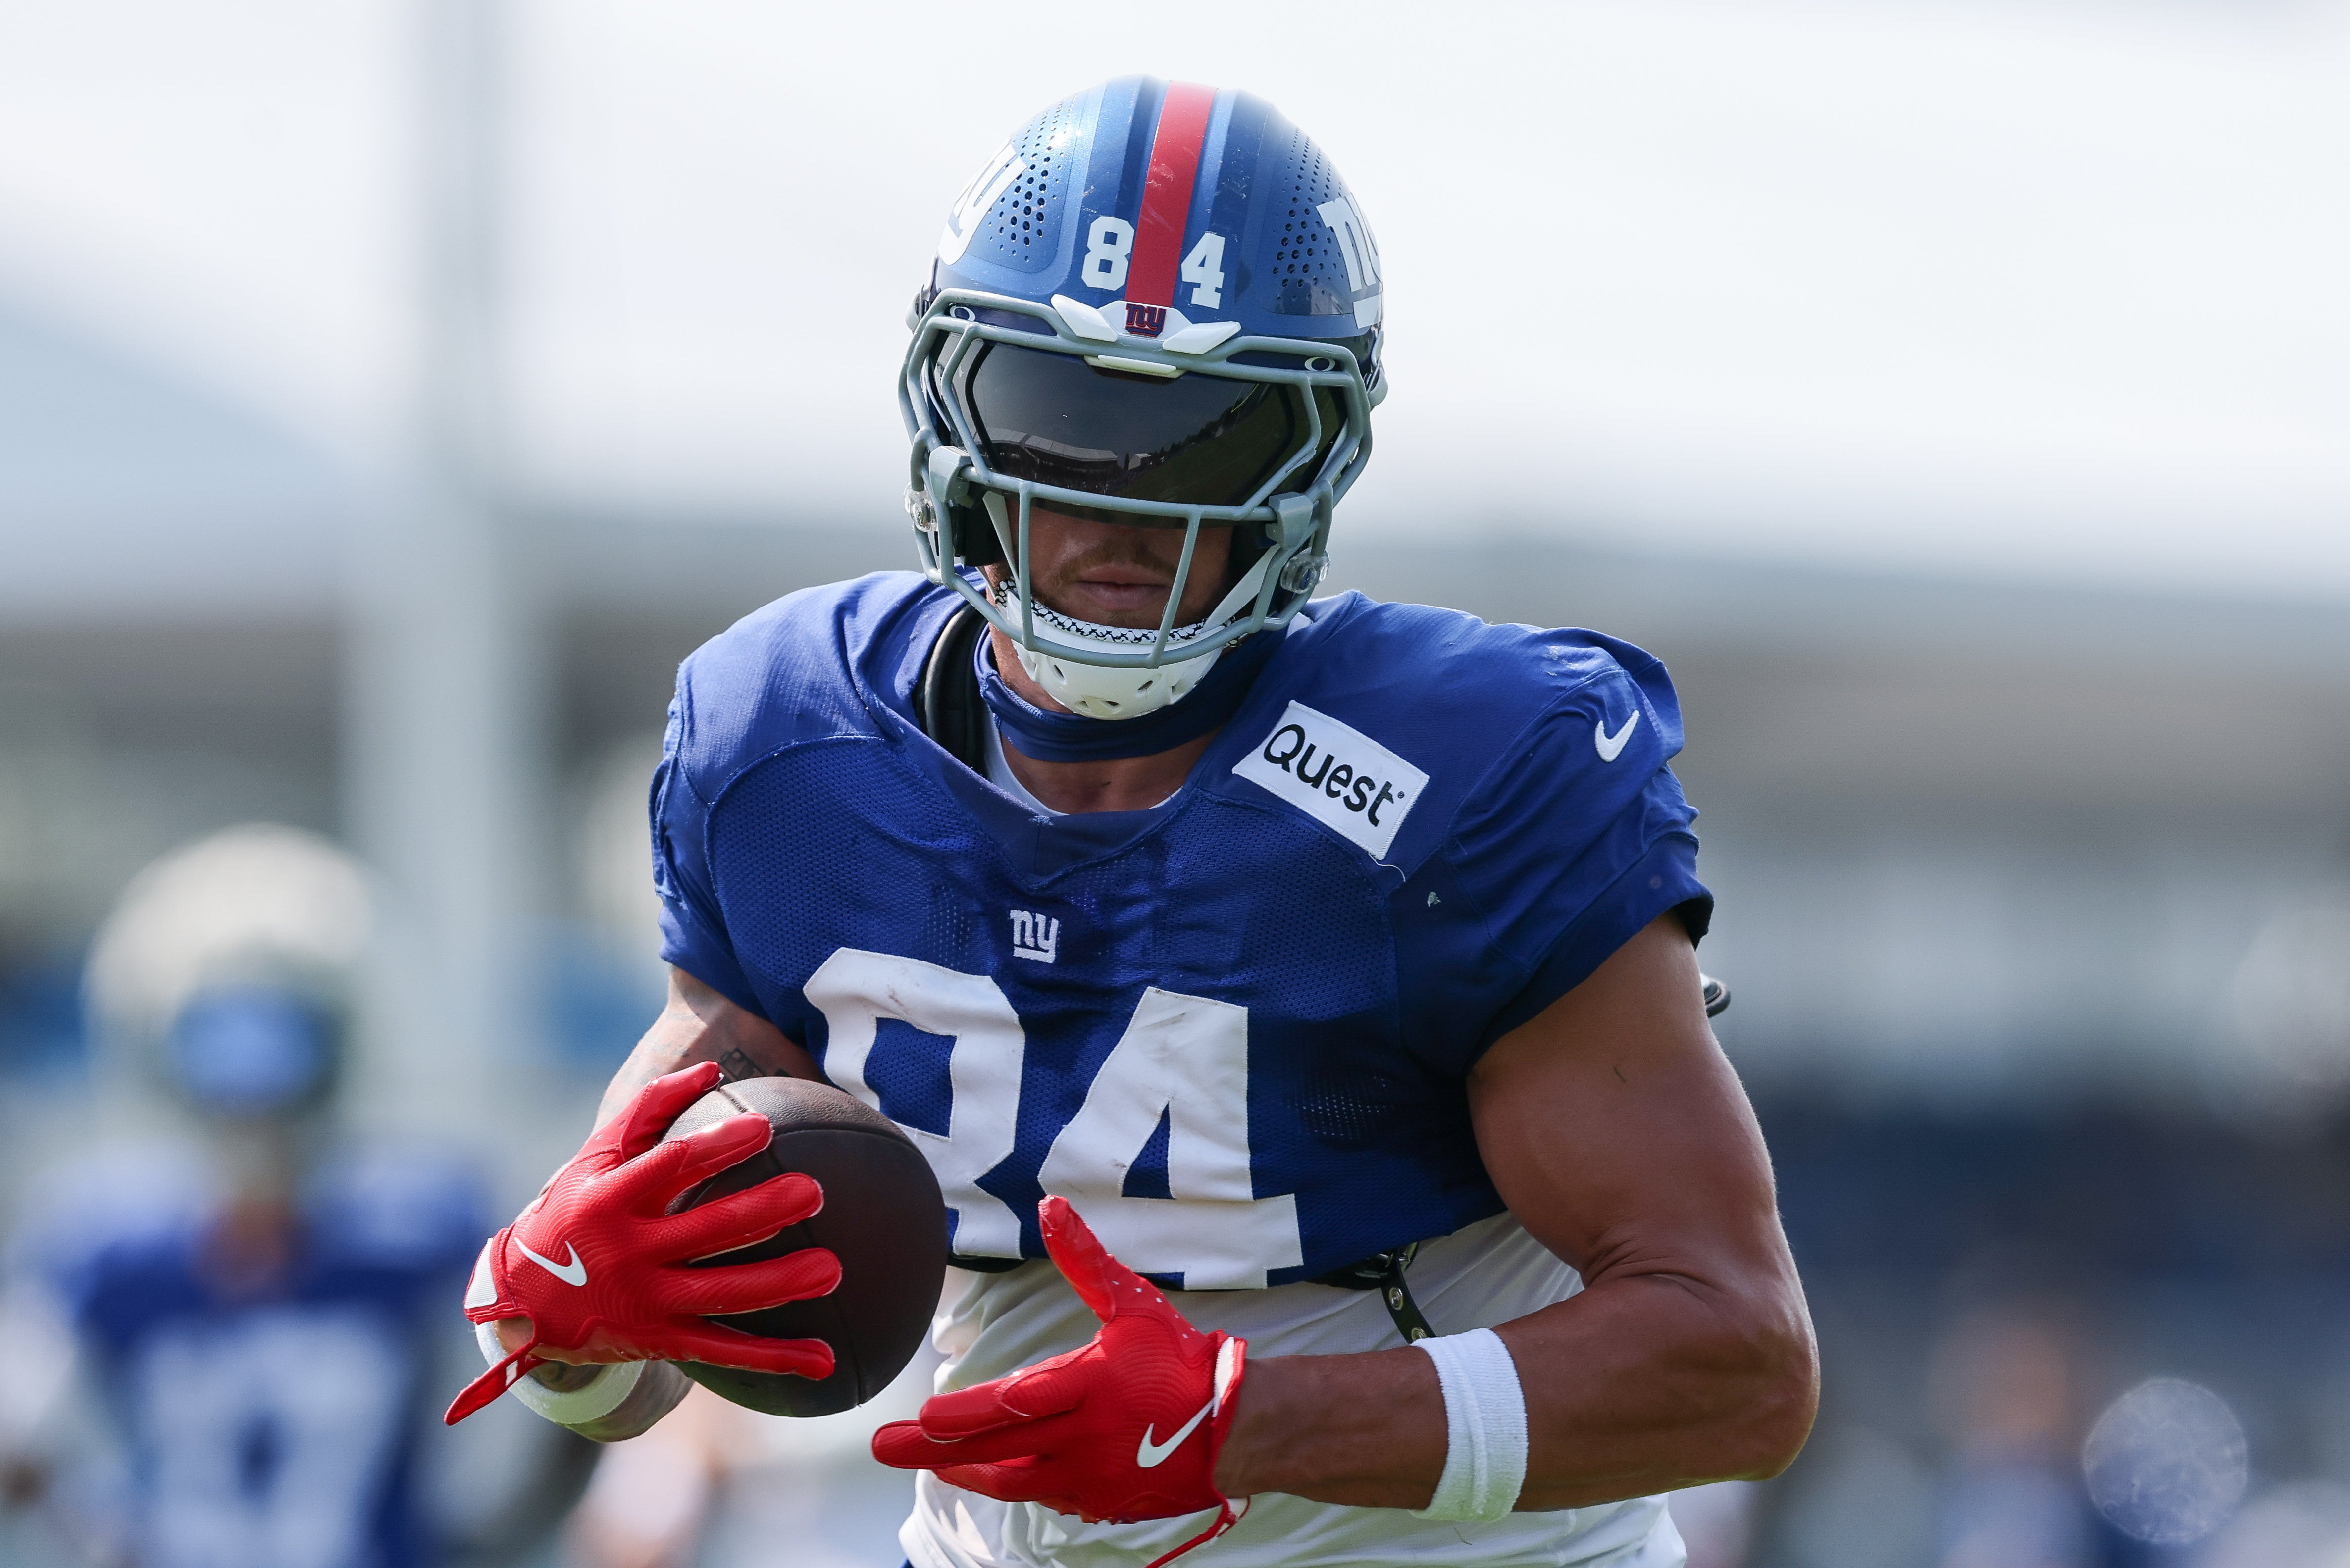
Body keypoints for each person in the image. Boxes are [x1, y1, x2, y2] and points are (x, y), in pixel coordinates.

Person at [452, 77, 1818, 1568]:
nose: (1128, 508)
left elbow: (1737, 1360)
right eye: (1064, 416)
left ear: (1316, 454)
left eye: (1208, 441)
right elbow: (634, 1375)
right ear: (952, 400)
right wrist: (559, 1313)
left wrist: (1247, 1421)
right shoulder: (788, 746)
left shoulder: (1475, 771)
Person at [0, 825, 590, 1568]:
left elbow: (535, 1445)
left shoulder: (424, 1228)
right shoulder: (105, 1244)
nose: (251, 1093)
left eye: (275, 1042)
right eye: (221, 1042)